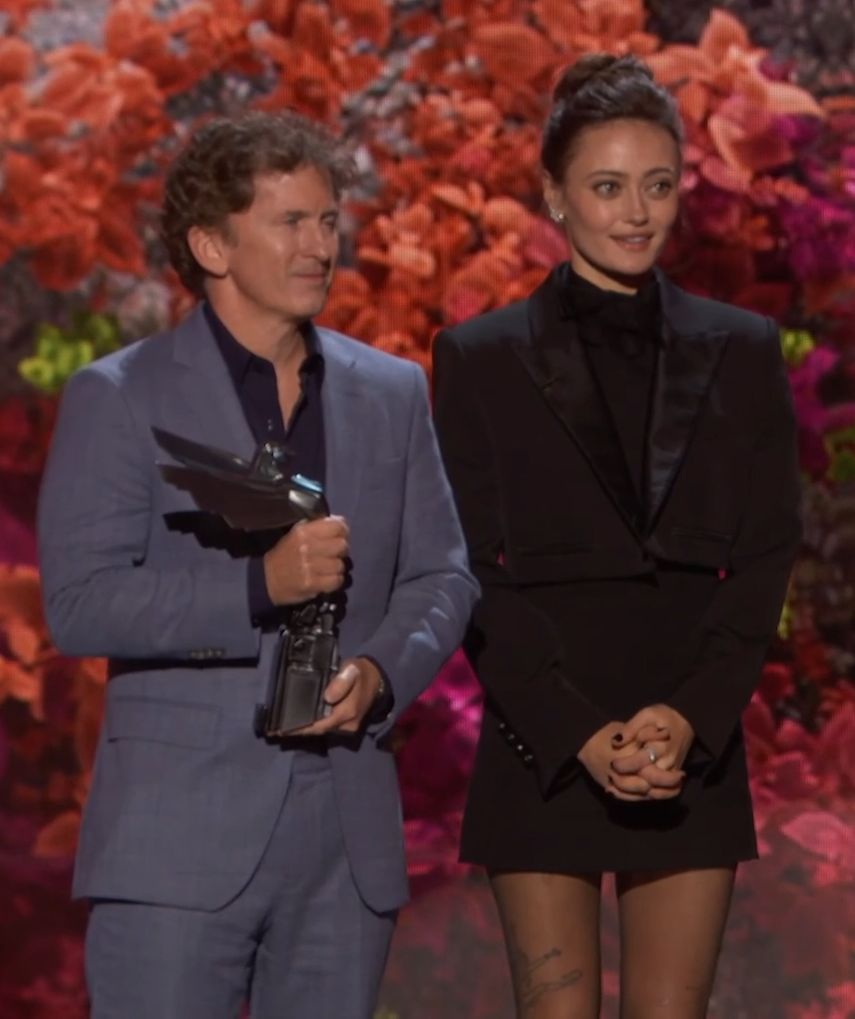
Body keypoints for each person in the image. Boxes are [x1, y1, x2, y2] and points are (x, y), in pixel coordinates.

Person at [37, 110, 478, 1019]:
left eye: (327, 221)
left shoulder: (392, 391)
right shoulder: (119, 395)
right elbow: (81, 603)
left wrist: (382, 673)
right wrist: (256, 587)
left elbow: (443, 575)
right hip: (175, 840)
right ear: (211, 245)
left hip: (343, 834)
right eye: (290, 222)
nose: (320, 245)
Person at [432, 54, 802, 1019]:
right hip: (542, 732)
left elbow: (765, 553)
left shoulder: (741, 348)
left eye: (657, 185)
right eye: (606, 187)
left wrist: (692, 716)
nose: (636, 213)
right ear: (555, 195)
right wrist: (576, 732)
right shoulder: (479, 357)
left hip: (688, 735)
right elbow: (468, 569)